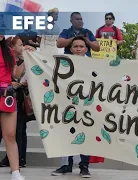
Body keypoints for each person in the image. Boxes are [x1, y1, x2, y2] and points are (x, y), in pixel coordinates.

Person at [51, 36, 92, 178]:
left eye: (81, 46)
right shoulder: (64, 63)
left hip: (86, 104)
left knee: (84, 134)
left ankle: (84, 166)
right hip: (67, 103)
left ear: (86, 49)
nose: (79, 49)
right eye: (76, 46)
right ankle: (66, 165)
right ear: (71, 48)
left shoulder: (93, 64)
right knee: (66, 132)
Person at [0, 37, 34, 168]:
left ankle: (15, 172)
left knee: (10, 135)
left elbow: (15, 74)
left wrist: (26, 58)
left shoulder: (7, 52)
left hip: (6, 96)